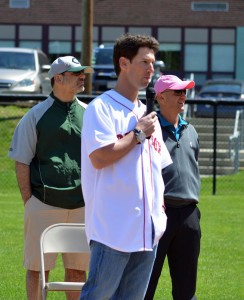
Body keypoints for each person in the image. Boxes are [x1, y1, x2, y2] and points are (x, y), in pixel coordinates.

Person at [79, 33, 172, 300]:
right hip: (113, 229)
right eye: (145, 62)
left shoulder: (146, 113)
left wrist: (160, 212)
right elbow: (99, 157)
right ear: (124, 63)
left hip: (147, 231)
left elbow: (161, 168)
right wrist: (138, 134)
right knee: (97, 296)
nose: (151, 69)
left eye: (153, 63)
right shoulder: (101, 108)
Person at [8, 56, 93, 300]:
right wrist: (30, 201)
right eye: (76, 73)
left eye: (82, 72)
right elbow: (22, 160)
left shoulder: (89, 114)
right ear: (58, 78)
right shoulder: (35, 115)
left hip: (81, 206)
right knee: (38, 270)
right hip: (43, 205)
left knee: (78, 271)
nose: (81, 76)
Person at [144, 75, 201, 300]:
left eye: (184, 92)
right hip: (157, 213)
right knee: (144, 285)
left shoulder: (191, 131)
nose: (183, 96)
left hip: (189, 215)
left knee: (187, 290)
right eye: (177, 92)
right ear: (161, 96)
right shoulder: (148, 130)